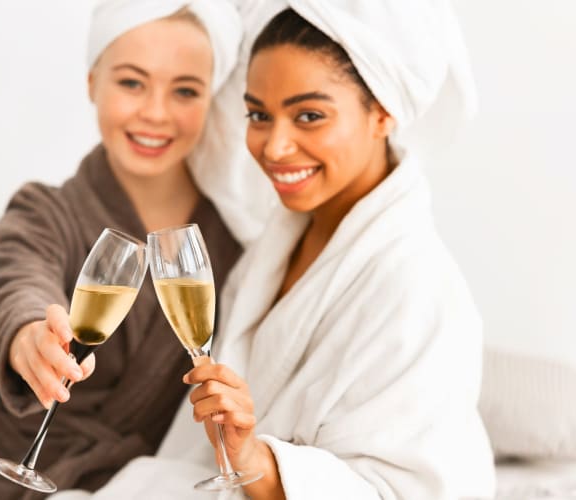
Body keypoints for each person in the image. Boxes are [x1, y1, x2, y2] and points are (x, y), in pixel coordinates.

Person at [0, 1, 271, 498]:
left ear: (212, 100)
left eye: (185, 90)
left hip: (127, 478)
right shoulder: (45, 210)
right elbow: (17, 282)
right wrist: (30, 338)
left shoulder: (236, 240)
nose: (155, 112)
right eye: (131, 82)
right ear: (91, 83)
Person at [68, 2, 497, 499]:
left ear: (382, 112)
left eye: (309, 116)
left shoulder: (417, 287)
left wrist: (254, 459)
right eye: (258, 115)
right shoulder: (279, 238)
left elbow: (402, 490)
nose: (273, 147)